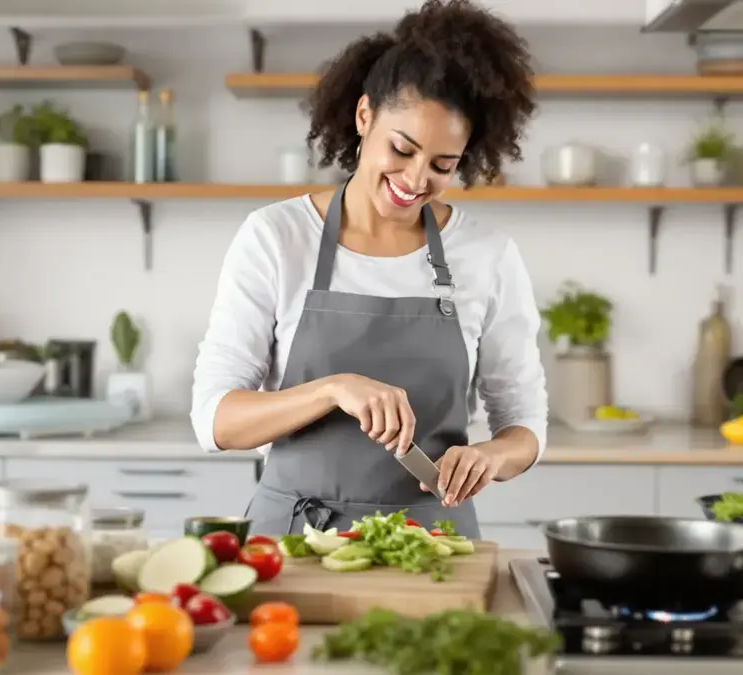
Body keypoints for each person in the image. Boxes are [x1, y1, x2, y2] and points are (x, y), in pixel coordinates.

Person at [191, 0, 546, 538]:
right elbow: (214, 420)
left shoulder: (486, 254)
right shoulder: (276, 237)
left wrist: (492, 456)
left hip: (432, 545)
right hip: (294, 541)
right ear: (364, 117)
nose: (415, 178)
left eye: (443, 165)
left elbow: (524, 422)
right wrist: (331, 390)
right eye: (401, 149)